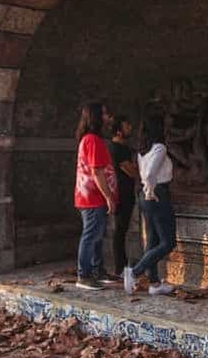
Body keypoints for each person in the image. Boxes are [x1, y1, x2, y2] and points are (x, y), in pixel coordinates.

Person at [122, 114, 177, 296]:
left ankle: (154, 282)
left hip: (146, 197)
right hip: (156, 194)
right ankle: (135, 271)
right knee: (168, 242)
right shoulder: (159, 148)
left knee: (152, 240)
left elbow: (144, 174)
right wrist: (150, 192)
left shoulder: (142, 150)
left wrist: (147, 193)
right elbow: (150, 175)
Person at [74, 102, 118, 291]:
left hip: (95, 198)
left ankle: (97, 270)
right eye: (105, 114)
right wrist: (108, 196)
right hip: (92, 198)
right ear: (96, 117)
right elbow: (97, 172)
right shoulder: (92, 140)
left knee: (97, 235)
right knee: (91, 235)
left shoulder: (93, 140)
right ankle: (83, 275)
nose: (108, 117)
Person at [109, 115, 138, 278]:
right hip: (121, 193)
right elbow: (130, 170)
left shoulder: (124, 148)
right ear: (119, 131)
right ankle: (120, 267)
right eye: (127, 126)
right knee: (120, 230)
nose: (130, 128)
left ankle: (123, 263)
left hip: (126, 192)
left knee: (122, 229)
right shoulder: (116, 149)